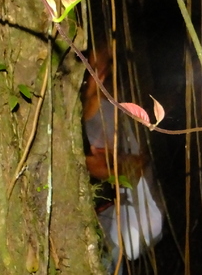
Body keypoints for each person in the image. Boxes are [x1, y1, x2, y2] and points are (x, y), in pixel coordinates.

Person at [82, 45, 163, 274]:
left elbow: (133, 165)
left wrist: (87, 163)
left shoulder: (108, 114)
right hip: (113, 222)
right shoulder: (93, 114)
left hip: (131, 220)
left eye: (93, 67)